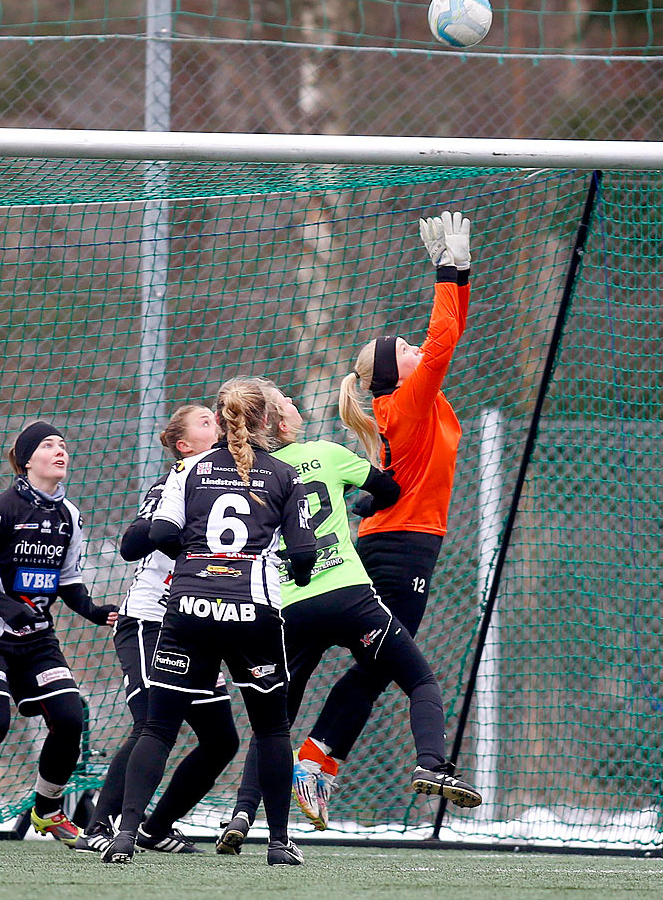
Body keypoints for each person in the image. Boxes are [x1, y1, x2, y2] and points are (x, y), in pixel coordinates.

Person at [216, 391, 481, 852]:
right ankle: (431, 765)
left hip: (290, 608)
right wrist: (360, 503)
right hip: (348, 597)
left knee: (274, 721)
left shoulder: (249, 476)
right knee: (419, 680)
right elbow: (389, 489)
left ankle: (242, 812)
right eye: (288, 400)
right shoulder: (327, 453)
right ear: (280, 423)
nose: (297, 401)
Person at [293, 210, 472, 825]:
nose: (416, 347)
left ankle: (314, 761)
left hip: (397, 544)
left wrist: (457, 277)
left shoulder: (414, 402)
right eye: (404, 348)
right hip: (399, 554)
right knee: (392, 670)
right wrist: (450, 270)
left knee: (372, 670)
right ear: (397, 374)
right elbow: (445, 338)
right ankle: (314, 763)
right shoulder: (407, 401)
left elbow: (443, 340)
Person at [102, 377, 316, 866]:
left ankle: (125, 836)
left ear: (220, 421)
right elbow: (303, 556)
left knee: (158, 728)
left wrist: (201, 557)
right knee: (271, 730)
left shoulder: (188, 470)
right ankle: (280, 844)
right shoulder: (285, 475)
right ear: (266, 421)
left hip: (190, 607)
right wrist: (277, 567)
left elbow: (158, 532)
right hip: (253, 609)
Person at [0, 422, 118, 847]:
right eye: (47, 445)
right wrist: (7, 608)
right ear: (26, 461)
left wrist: (94, 611)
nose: (60, 451)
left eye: (63, 444)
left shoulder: (69, 517)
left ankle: (47, 811)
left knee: (68, 717)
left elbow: (69, 581)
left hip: (37, 639)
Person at [77, 405, 240, 854]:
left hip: (200, 624)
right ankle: (99, 827)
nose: (218, 425)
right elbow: (131, 544)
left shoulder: (240, 480)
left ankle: (155, 828)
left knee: (221, 740)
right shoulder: (178, 480)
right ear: (184, 446)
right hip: (151, 621)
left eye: (218, 419)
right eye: (206, 422)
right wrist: (178, 532)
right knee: (151, 722)